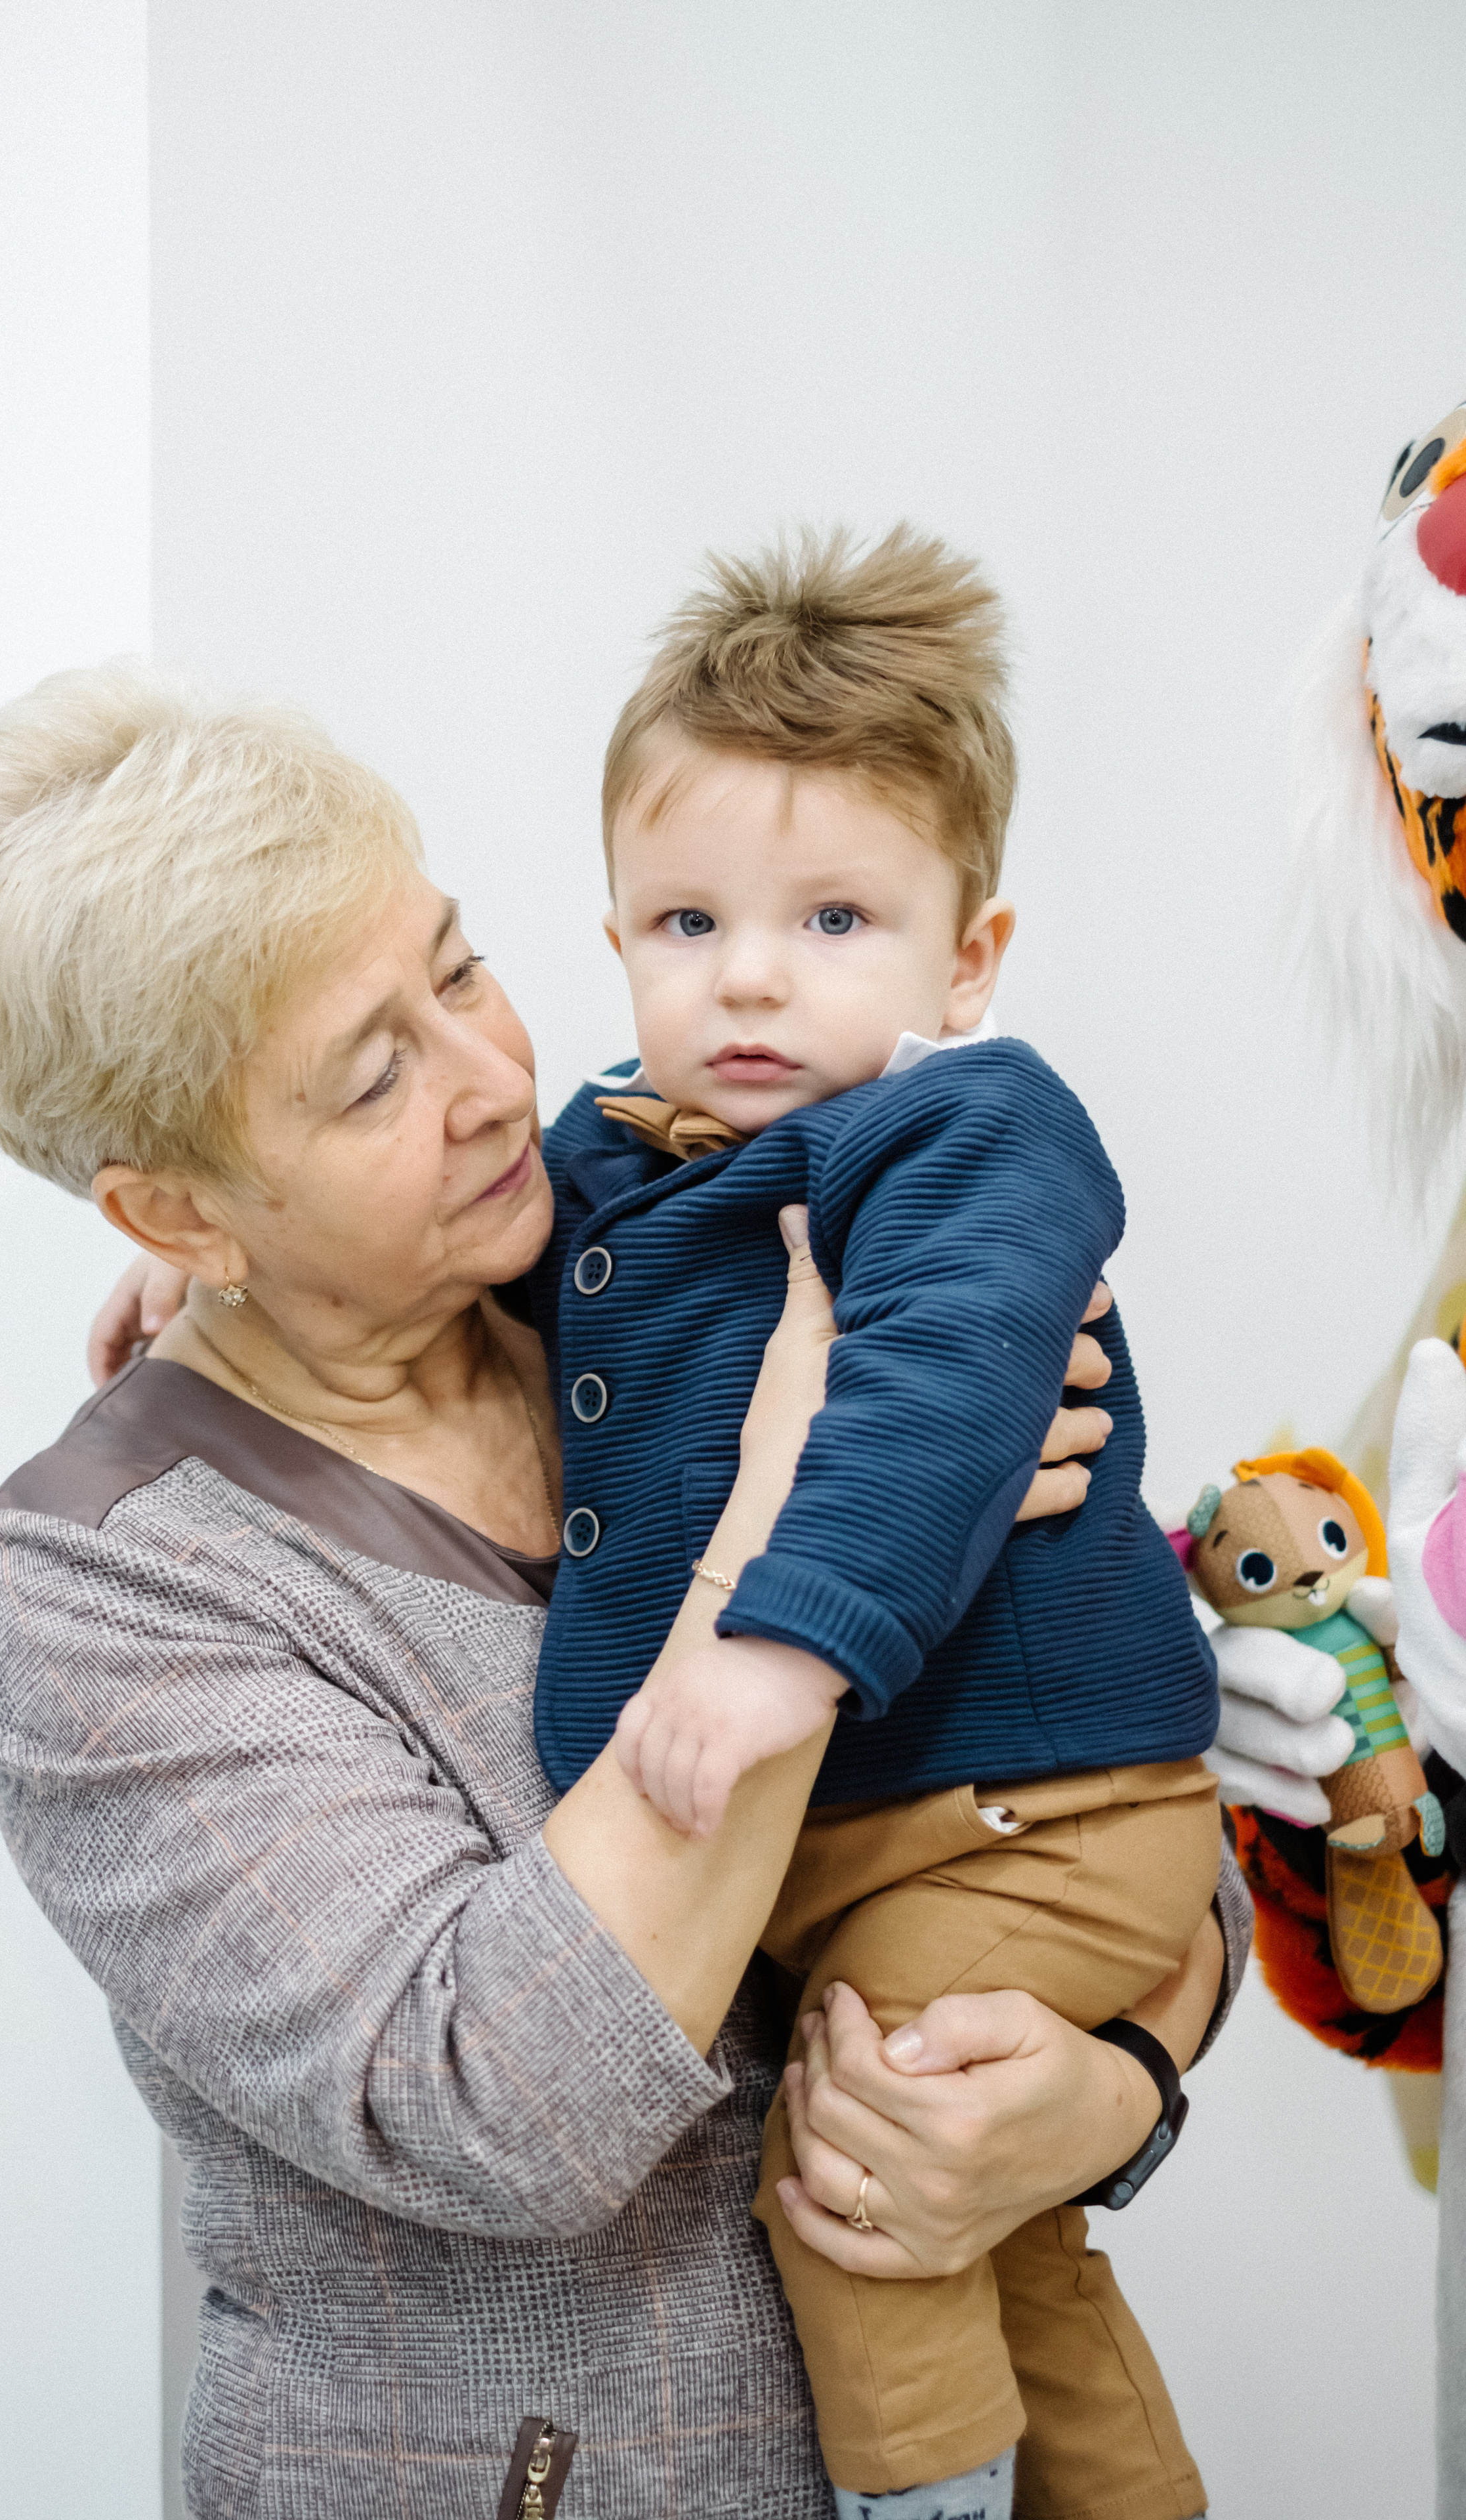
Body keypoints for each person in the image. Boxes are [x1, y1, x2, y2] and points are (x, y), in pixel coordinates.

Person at [0, 662, 1247, 2520]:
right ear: (176, 1216)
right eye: (371, 1077)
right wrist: (777, 1530)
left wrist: (1116, 2089)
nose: (495, 1083)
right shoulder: (101, 1602)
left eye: (454, 968)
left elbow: (1090, 1782)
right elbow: (509, 2106)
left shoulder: (637, 1286)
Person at [505, 528, 1216, 2520]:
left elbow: (942, 1382)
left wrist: (773, 1643)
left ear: (965, 960)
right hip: (920, 1838)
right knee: (1013, 2248)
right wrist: (218, 1289)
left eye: (834, 918)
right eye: (685, 920)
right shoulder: (625, 1167)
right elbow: (484, 1284)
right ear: (620, 934)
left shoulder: (962, 1129)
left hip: (1033, 1812)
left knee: (862, 2191)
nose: (747, 975)